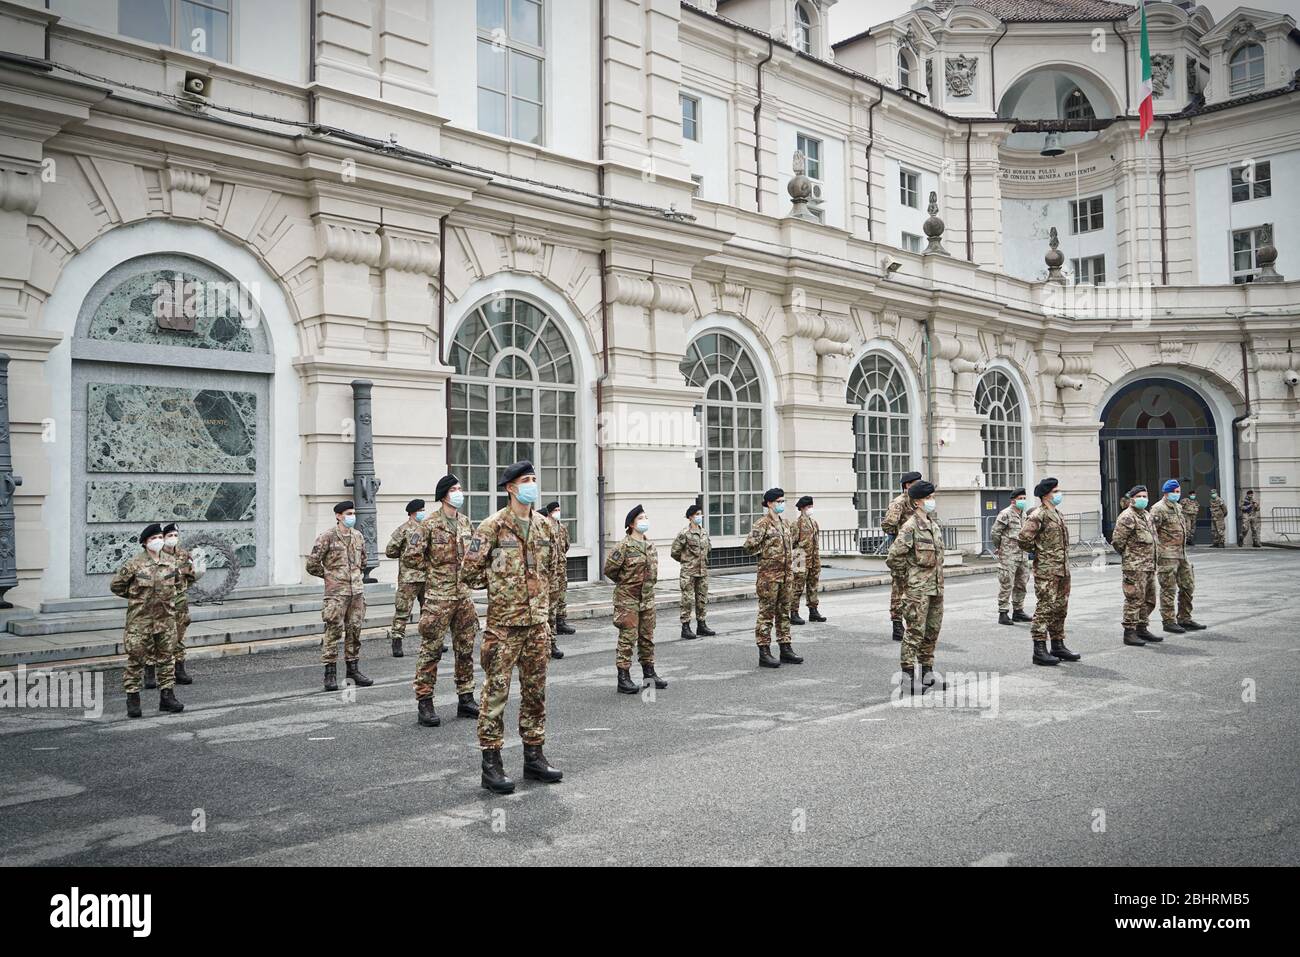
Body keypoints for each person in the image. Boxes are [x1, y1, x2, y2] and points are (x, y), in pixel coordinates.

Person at [460, 461, 563, 794]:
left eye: (534, 479)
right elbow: (470, 572)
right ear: (510, 488)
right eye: (525, 480)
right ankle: (491, 764)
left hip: (537, 624)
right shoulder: (492, 527)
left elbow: (552, 569)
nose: (531, 485)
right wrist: (502, 585)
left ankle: (534, 757)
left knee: (535, 693)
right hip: (504, 627)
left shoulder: (545, 527)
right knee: (496, 694)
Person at [411, 475, 480, 727]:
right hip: (438, 598)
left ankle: (466, 698)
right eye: (454, 489)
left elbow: (472, 555)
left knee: (465, 649)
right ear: (443, 495)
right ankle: (425, 702)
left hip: (462, 596)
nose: (459, 492)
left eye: (460, 488)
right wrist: (433, 577)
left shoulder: (465, 522)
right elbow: (412, 557)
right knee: (431, 650)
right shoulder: (428, 524)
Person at [109, 523, 183, 717]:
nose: (158, 541)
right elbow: (116, 586)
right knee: (136, 660)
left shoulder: (171, 562)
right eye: (153, 539)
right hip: (140, 621)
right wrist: (136, 597)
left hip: (165, 620)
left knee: (167, 659)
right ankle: (133, 699)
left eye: (160, 537)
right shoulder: (134, 564)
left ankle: (167, 697)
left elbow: (178, 584)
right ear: (145, 543)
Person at [886, 480, 946, 694]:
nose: (932, 501)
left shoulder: (933, 525)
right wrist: (908, 579)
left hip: (936, 589)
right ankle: (908, 677)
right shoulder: (910, 527)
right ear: (918, 501)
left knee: (931, 632)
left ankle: (928, 674)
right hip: (917, 591)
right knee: (914, 633)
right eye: (928, 497)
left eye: (932, 497)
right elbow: (894, 557)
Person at [306, 500, 372, 692]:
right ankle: (330, 674)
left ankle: (353, 670)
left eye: (353, 513)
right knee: (333, 632)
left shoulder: (358, 536)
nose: (352, 516)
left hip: (356, 593)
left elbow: (364, 560)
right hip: (336, 594)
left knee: (354, 631)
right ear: (338, 516)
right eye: (348, 513)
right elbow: (312, 564)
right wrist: (329, 576)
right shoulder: (327, 537)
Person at [1017, 478, 1081, 666]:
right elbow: (1023, 539)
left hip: (1062, 569)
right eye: (1056, 491)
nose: (1059, 494)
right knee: (1045, 607)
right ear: (1046, 495)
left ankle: (1058, 644)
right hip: (1047, 570)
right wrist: (1040, 552)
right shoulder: (1038, 515)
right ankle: (1039, 649)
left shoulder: (1058, 514)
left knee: (1060, 608)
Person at [604, 505, 666, 694]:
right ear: (631, 524)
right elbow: (610, 570)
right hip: (627, 599)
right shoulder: (623, 546)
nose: (644, 521)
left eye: (646, 517)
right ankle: (623, 678)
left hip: (647, 599)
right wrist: (626, 585)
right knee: (627, 638)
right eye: (640, 518)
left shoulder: (650, 545)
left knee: (647, 637)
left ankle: (649, 674)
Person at [743, 488, 802, 668]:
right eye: (779, 501)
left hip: (786, 576)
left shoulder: (785, 523)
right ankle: (764, 651)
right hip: (769, 577)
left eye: (783, 501)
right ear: (769, 503)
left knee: (784, 613)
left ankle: (785, 648)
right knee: (766, 614)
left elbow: (793, 546)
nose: (781, 504)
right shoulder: (762, 524)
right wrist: (767, 554)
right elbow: (748, 546)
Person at [1150, 479, 1206, 633]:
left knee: (1188, 586)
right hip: (1167, 555)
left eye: (1178, 491)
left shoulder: (1178, 507)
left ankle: (1184, 618)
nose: (1177, 494)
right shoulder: (1158, 509)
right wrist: (1158, 553)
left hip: (1182, 554)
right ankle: (1168, 621)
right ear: (1166, 492)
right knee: (1168, 589)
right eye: (1174, 492)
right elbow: (1152, 533)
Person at [1110, 485, 1161, 647]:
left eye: (1145, 496)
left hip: (1149, 565)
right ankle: (1129, 632)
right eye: (1139, 496)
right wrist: (1130, 557)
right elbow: (1117, 541)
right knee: (1134, 599)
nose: (1143, 499)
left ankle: (1142, 627)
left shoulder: (1146, 515)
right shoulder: (1127, 516)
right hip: (1134, 566)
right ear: (1132, 498)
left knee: (1149, 599)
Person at [881, 470, 923, 641]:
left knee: (915, 589)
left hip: (917, 553)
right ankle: (897, 625)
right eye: (917, 482)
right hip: (902, 553)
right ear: (907, 485)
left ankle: (914, 623)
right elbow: (888, 525)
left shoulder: (918, 502)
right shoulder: (899, 502)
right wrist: (900, 539)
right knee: (899, 590)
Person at [384, 498, 429, 658]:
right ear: (413, 513)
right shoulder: (403, 530)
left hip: (426, 576)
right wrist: (404, 555)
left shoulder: (427, 528)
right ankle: (397, 640)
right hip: (408, 578)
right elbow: (390, 550)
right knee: (403, 610)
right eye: (421, 510)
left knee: (429, 611)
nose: (423, 513)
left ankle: (431, 641)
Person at [159, 522, 197, 686]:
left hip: (180, 600)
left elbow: (191, 576)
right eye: (170, 535)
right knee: (158, 636)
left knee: (179, 635)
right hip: (161, 602)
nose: (173, 538)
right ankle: (151, 671)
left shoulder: (183, 554)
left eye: (176, 535)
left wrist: (192, 572)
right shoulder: (156, 556)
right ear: (163, 537)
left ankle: (179, 669)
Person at [989, 488, 1032, 626]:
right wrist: (1000, 547)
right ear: (1013, 500)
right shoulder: (1005, 514)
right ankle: (1003, 612)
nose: (1023, 501)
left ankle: (1018, 611)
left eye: (1024, 498)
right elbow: (995, 532)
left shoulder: (1024, 515)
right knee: (1007, 583)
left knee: (1022, 583)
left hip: (1022, 555)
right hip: (1008, 555)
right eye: (1020, 498)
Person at [670, 503, 713, 639]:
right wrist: (686, 561)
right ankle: (686, 627)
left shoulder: (704, 532)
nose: (699, 517)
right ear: (690, 517)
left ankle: (702, 625)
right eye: (697, 515)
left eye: (700, 514)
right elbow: (675, 552)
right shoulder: (684, 534)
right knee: (687, 600)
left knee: (702, 598)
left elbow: (709, 549)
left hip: (702, 571)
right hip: (688, 572)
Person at [788, 495, 826, 624]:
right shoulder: (796, 524)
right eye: (809, 507)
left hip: (814, 557)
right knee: (797, 586)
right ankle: (794, 613)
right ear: (802, 508)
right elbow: (791, 543)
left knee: (813, 585)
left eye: (811, 506)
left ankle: (813, 611)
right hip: (800, 557)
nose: (811, 509)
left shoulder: (814, 523)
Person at [544, 501, 576, 638]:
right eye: (555, 510)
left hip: (561, 567)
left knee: (562, 595)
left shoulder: (562, 528)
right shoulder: (544, 527)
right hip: (548, 569)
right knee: (550, 597)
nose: (558, 512)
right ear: (550, 512)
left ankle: (560, 621)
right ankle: (548, 625)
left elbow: (566, 545)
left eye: (559, 509)